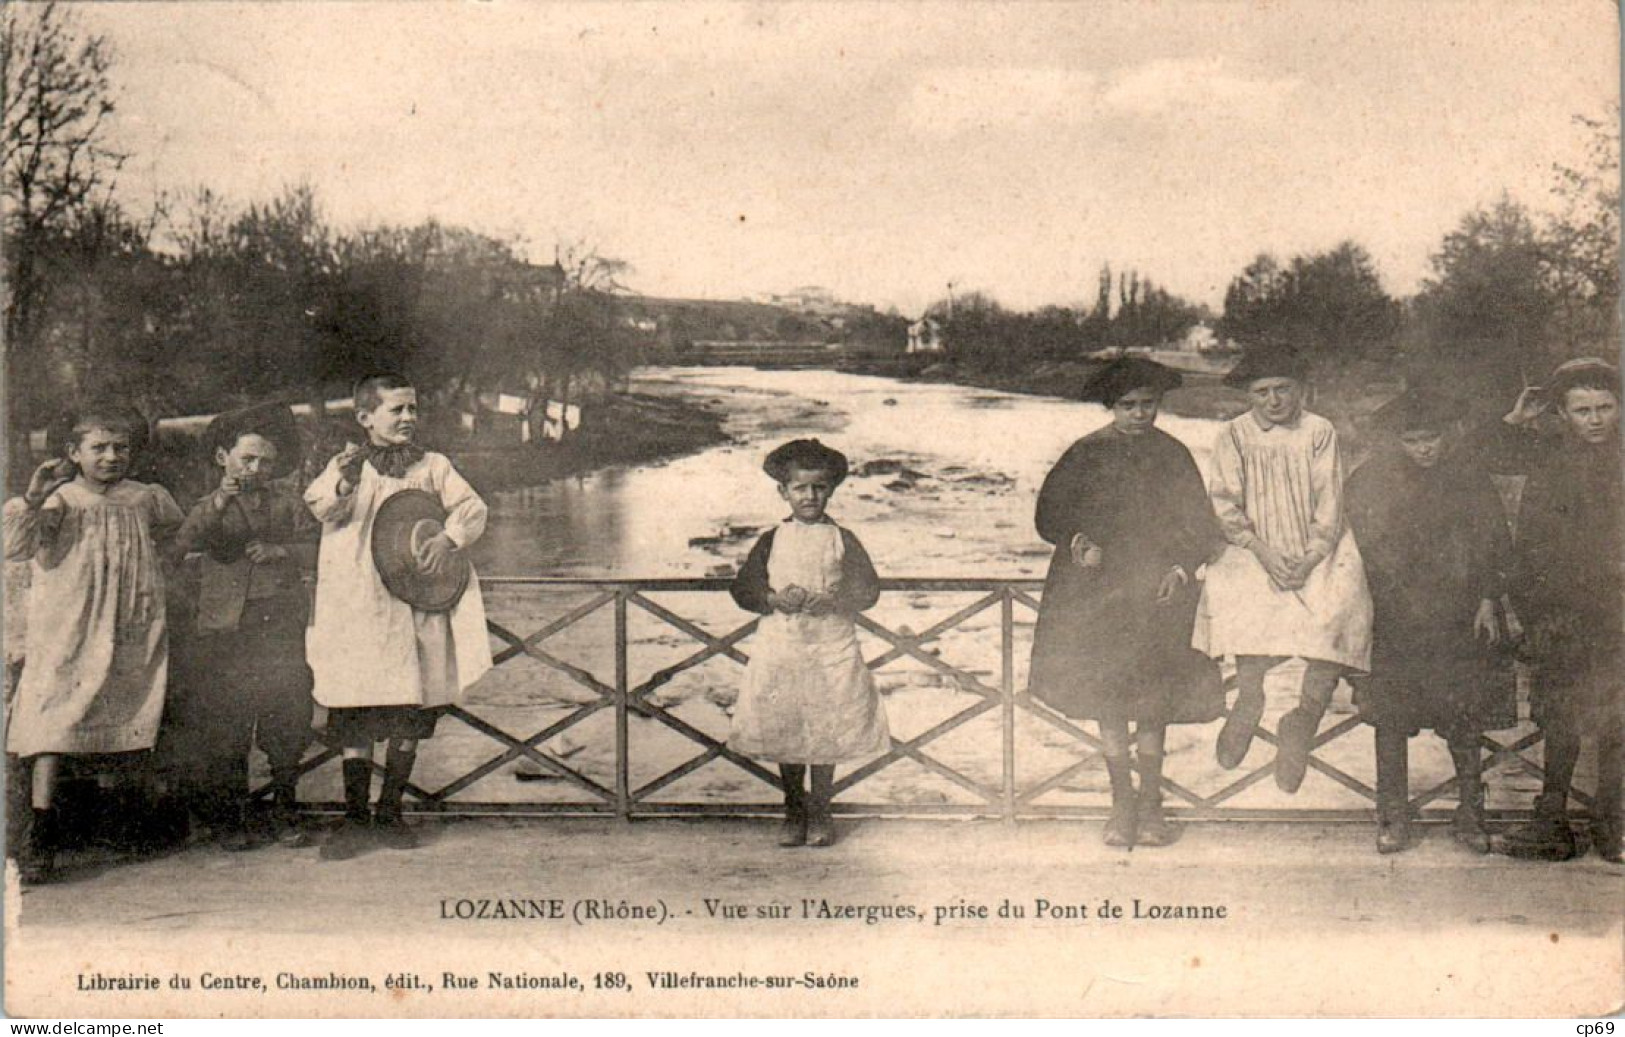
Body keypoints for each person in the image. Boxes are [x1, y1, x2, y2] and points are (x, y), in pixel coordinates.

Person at [1028, 358, 1224, 847]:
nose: (1139, 414)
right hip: (1097, 594)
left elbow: (1199, 524)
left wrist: (1181, 568)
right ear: (1111, 407)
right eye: (1128, 406)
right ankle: (1121, 805)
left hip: (1158, 595)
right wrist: (1077, 540)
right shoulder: (1085, 453)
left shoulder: (1174, 455)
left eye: (1148, 405)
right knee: (1109, 699)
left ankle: (1152, 805)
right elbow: (1049, 516)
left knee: (1154, 701)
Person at [303, 373, 493, 860]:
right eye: (396, 410)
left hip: (414, 605)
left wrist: (448, 538)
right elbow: (321, 507)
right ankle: (354, 820)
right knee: (356, 710)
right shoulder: (345, 465)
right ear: (366, 417)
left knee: (410, 709)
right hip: (359, 606)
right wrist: (344, 479)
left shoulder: (434, 465)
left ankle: (391, 812)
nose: (408, 418)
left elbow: (472, 507)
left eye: (413, 408)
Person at [3, 404, 184, 883]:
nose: (110, 456)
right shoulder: (61, 500)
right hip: (71, 625)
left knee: (129, 710)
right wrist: (34, 498)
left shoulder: (146, 497)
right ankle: (40, 829)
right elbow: (16, 549)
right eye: (98, 448)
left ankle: (126, 820)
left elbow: (174, 536)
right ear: (74, 453)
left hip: (130, 622)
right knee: (54, 720)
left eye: (119, 448)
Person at [1193, 346, 1373, 792]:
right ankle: (1249, 700)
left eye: (1282, 390)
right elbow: (1225, 503)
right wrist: (1265, 553)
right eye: (1262, 392)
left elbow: (1329, 501)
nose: (1273, 400)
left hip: (1318, 546)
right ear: (1249, 395)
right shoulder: (1233, 435)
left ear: (1299, 391)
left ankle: (1302, 720)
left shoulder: (1319, 431)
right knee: (1242, 602)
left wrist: (1311, 558)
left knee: (1339, 610)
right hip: (1254, 547)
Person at [1345, 390, 1515, 854]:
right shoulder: (1367, 483)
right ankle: (1393, 815)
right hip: (1393, 618)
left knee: (1463, 718)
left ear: (1447, 435)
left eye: (1432, 438)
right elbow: (1352, 555)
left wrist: (1487, 597)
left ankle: (1470, 813)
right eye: (1413, 440)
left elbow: (1496, 541)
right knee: (1390, 718)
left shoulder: (1470, 480)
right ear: (1395, 439)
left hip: (1457, 617)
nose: (1424, 449)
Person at [170, 402, 319, 850]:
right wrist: (220, 500)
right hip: (225, 628)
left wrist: (284, 553)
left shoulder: (289, 503)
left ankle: (285, 806)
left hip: (278, 625)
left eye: (266, 462)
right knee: (227, 721)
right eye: (247, 459)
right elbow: (186, 542)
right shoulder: (207, 505)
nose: (257, 468)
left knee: (285, 716)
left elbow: (319, 548)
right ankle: (231, 816)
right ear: (223, 459)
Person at [729, 439, 888, 848]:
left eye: (818, 488)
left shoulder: (842, 538)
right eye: (800, 488)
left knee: (828, 724)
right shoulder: (772, 538)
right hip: (783, 643)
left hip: (831, 644)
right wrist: (772, 599)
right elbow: (743, 587)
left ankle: (821, 811)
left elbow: (868, 589)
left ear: (830, 491)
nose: (810, 497)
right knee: (787, 723)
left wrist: (835, 600)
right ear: (784, 492)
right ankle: (793, 810)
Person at [1499, 358, 1622, 862]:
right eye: (1582, 410)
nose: (1595, 420)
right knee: (1561, 715)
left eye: (1605, 408)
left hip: (1619, 612)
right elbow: (1529, 543)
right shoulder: (1548, 458)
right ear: (1563, 414)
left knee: (1619, 715)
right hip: (1563, 610)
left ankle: (1612, 823)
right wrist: (1516, 420)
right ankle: (1550, 822)